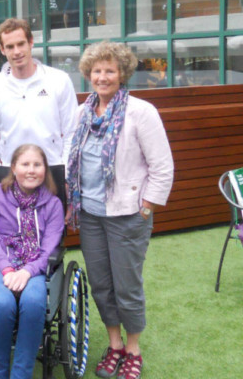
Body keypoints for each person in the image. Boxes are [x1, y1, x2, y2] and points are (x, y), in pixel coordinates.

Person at [65, 41, 174, 379]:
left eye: (109, 70)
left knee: (127, 286)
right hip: (92, 215)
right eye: (96, 70)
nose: (102, 76)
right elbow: (74, 160)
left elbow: (162, 166)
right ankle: (114, 345)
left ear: (122, 73)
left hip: (128, 214)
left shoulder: (141, 112)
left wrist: (146, 207)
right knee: (101, 284)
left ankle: (133, 349)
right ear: (88, 74)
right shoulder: (82, 113)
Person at [0, 143, 64, 379]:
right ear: (14, 167)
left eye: (37, 164)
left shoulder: (54, 205)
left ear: (45, 169)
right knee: (3, 304)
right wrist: (6, 268)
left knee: (35, 301)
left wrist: (26, 271)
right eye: (25, 164)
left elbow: (48, 249)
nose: (31, 170)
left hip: (35, 268)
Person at [0, 18, 78, 170]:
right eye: (10, 47)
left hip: (52, 172)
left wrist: (65, 174)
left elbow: (72, 132)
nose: (17, 52)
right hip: (11, 176)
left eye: (21, 44)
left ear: (31, 42)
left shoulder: (60, 80)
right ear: (2, 49)